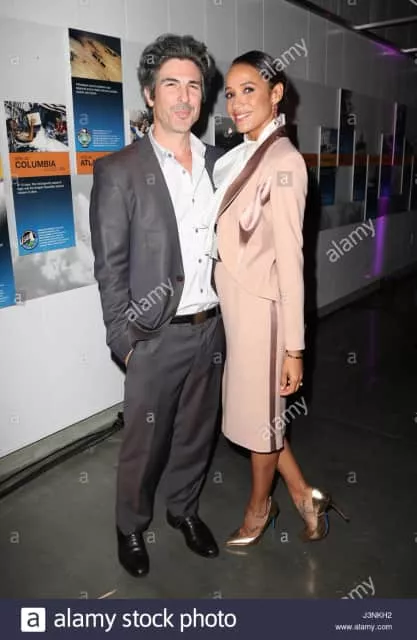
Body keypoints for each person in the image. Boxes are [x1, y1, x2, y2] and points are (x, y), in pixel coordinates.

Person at [89, 34, 225, 577]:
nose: (184, 96)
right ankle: (130, 525)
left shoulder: (221, 165)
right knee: (144, 443)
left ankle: (183, 510)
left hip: (211, 328)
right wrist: (125, 342)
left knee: (197, 432)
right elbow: (110, 267)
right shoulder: (119, 170)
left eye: (193, 85)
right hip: (154, 336)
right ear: (150, 94)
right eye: (171, 84)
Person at [211, 51, 349, 546]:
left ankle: (258, 510)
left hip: (264, 316)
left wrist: (294, 348)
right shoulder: (246, 154)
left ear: (276, 94)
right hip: (239, 314)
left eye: (248, 90)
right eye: (230, 93)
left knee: (260, 425)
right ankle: (305, 496)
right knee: (259, 420)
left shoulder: (285, 162)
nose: (236, 102)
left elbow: (292, 263)